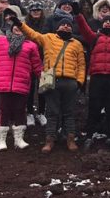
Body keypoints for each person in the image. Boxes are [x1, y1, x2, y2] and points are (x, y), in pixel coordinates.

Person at [19, 13, 87, 152]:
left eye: (69, 25)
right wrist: (19, 24)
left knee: (69, 113)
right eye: (63, 24)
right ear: (57, 27)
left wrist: (79, 82)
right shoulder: (48, 38)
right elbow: (32, 34)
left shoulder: (77, 44)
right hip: (51, 80)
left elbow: (81, 65)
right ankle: (49, 140)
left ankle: (70, 140)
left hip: (70, 82)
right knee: (52, 112)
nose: (66, 26)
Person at [0, 17, 41, 149]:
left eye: (20, 26)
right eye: (14, 26)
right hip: (4, 83)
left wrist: (44, 79)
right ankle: (1, 140)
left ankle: (19, 139)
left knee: (20, 111)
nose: (17, 28)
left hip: (22, 84)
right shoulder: (1, 41)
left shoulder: (31, 46)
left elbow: (37, 66)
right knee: (3, 111)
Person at [75, 5, 110, 149]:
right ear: (102, 24)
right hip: (96, 77)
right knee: (93, 107)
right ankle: (89, 136)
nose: (107, 23)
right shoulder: (94, 37)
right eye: (105, 21)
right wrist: (78, 15)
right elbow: (84, 29)